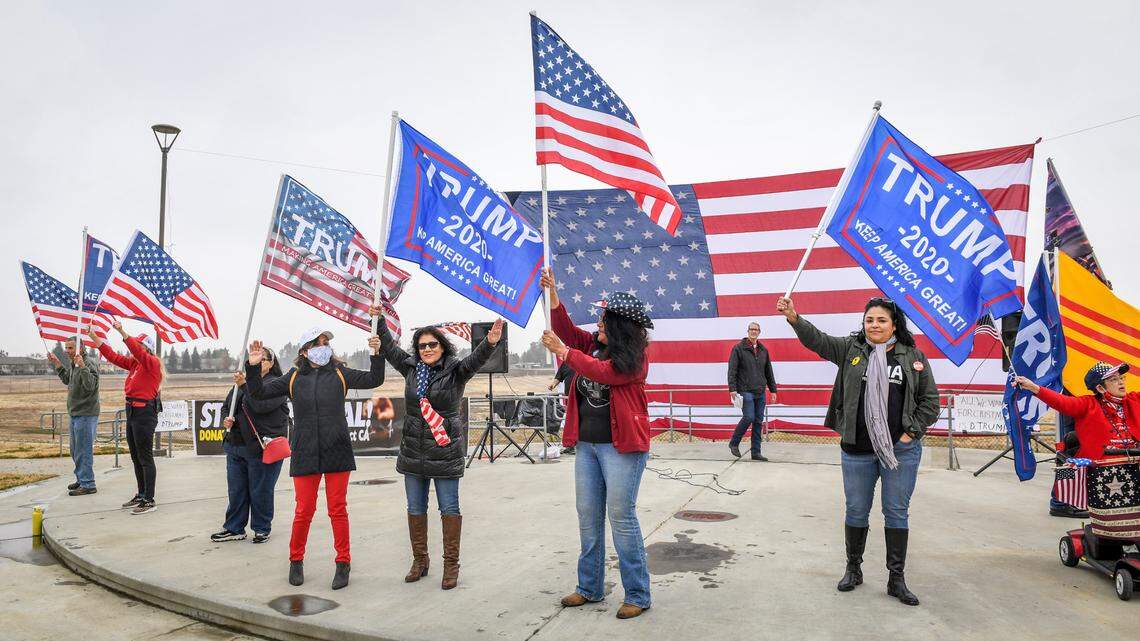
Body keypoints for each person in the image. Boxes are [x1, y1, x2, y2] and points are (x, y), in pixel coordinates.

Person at [776, 295, 939, 606]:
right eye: (869, 320)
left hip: (899, 453)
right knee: (856, 511)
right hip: (857, 450)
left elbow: (930, 401)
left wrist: (910, 434)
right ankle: (853, 569)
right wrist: (794, 317)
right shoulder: (851, 349)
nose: (874, 325)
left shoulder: (913, 356)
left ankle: (896, 578)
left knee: (896, 512)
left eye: (881, 320)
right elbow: (818, 341)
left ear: (894, 325)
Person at [539, 268, 653, 620]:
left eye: (604, 320)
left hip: (622, 448)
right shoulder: (590, 344)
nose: (598, 324)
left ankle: (637, 593)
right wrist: (554, 297)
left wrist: (564, 353)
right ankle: (589, 587)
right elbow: (567, 333)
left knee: (621, 517)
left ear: (619, 326)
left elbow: (604, 373)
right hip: (587, 445)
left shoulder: (635, 359)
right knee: (588, 517)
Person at [243, 327, 384, 590]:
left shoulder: (341, 373)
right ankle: (295, 560)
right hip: (305, 450)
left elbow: (375, 379)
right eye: (318, 343)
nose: (324, 346)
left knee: (337, 509)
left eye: (326, 342)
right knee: (304, 510)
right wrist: (252, 369)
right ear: (304, 351)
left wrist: (377, 352)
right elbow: (258, 393)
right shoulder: (293, 377)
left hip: (337, 448)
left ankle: (343, 562)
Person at [374, 308, 502, 590]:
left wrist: (489, 343)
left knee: (449, 508)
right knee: (415, 508)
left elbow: (475, 360)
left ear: (442, 346)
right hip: (413, 451)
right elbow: (389, 348)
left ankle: (450, 565)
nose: (427, 349)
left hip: (444, 450)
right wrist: (379, 320)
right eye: (422, 346)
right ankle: (420, 561)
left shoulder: (456, 370)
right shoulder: (409, 368)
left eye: (433, 344)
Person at [211, 347, 288, 544]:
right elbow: (227, 405)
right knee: (236, 491)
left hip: (261, 447)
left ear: (271, 363)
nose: (259, 361)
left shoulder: (278, 385)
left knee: (260, 490)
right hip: (235, 445)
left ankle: (261, 528)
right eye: (256, 358)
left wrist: (246, 385)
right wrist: (226, 419)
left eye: (263, 359)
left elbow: (260, 406)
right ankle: (234, 527)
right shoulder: (240, 383)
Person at [88, 321, 163, 515]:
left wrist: (121, 330)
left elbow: (136, 351)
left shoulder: (151, 363)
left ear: (146, 348)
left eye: (139, 345)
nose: (134, 349)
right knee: (136, 456)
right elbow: (113, 356)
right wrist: (96, 339)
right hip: (132, 411)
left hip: (144, 413)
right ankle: (141, 493)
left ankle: (149, 499)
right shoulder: (135, 364)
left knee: (145, 456)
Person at [1014, 362, 1140, 460]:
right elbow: (1061, 401)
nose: (1121, 382)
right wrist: (1033, 387)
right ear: (1100, 388)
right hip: (1100, 468)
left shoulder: (1134, 400)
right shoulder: (1088, 404)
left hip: (1134, 461)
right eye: (1113, 379)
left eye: (1121, 377)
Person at [49, 338, 100, 497]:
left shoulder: (88, 363)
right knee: (75, 450)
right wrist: (57, 363)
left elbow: (90, 386)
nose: (67, 351)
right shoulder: (73, 363)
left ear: (81, 348)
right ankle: (81, 478)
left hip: (86, 413)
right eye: (66, 348)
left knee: (83, 450)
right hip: (75, 413)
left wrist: (83, 366)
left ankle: (88, 484)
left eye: (70, 348)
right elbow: (67, 380)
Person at [726, 321, 778, 461]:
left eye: (756, 329)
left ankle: (756, 452)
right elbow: (732, 370)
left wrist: (773, 390)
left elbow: (769, 372)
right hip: (745, 390)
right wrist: (732, 389)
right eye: (751, 329)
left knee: (758, 421)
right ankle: (734, 443)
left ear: (759, 332)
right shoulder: (738, 349)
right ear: (748, 331)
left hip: (760, 391)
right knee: (749, 417)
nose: (754, 331)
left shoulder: (763, 350)